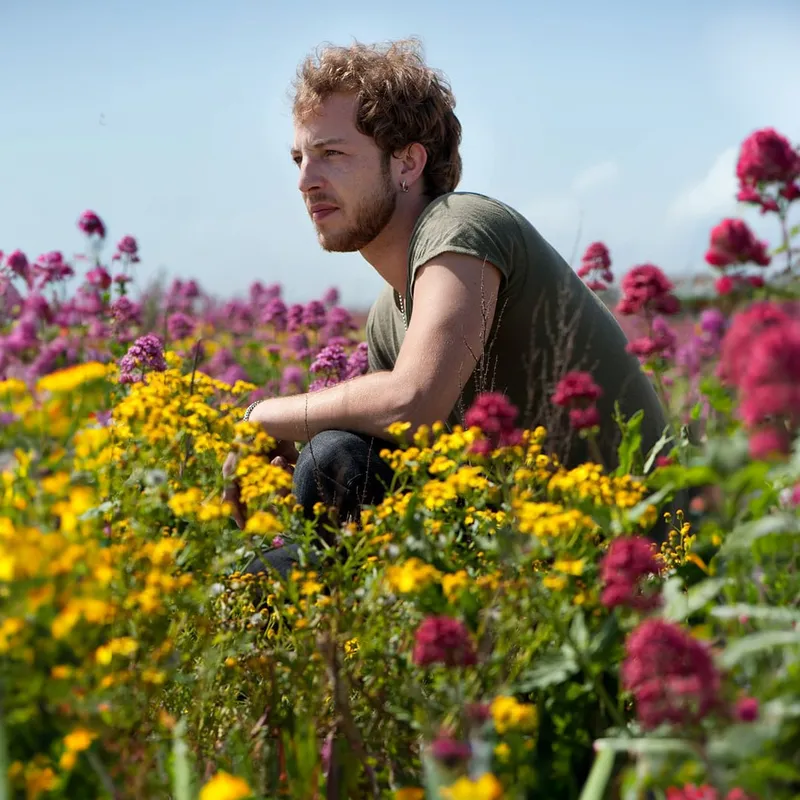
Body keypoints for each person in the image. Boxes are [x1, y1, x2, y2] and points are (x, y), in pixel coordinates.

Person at [222, 39, 671, 578]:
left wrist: (259, 418)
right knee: (280, 547)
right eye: (300, 158)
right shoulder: (390, 314)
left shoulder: (462, 224)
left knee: (326, 465)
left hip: (636, 564)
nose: (305, 180)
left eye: (332, 154)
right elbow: (394, 462)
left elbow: (411, 400)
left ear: (408, 162)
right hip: (522, 557)